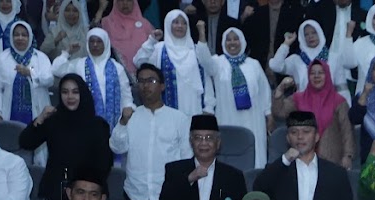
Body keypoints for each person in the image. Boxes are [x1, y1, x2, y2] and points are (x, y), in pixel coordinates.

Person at [108, 64, 189, 200]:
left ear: (162, 86)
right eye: (141, 81)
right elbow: (116, 147)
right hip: (136, 196)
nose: (145, 85)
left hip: (169, 197)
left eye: (151, 81)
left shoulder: (179, 118)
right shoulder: (131, 117)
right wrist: (123, 122)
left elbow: (186, 159)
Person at [197, 27, 271, 170]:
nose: (232, 42)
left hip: (253, 119)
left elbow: (264, 90)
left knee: (255, 158)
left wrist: (268, 114)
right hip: (227, 117)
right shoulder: (217, 62)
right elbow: (204, 61)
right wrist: (202, 35)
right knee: (229, 159)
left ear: (242, 41)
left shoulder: (253, 64)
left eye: (235, 39)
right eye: (228, 39)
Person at [133, 10, 213, 118]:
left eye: (184, 23)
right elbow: (139, 62)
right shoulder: (160, 49)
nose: (180, 26)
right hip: (166, 113)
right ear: (168, 24)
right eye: (176, 22)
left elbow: (207, 77)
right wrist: (151, 41)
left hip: (194, 108)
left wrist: (209, 107)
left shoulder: (195, 50)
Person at [281, 60, 355, 167]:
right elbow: (280, 111)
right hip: (302, 158)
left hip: (331, 159)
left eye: (320, 73)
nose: (316, 76)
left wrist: (348, 155)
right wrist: (279, 92)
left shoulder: (339, 101)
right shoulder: (298, 98)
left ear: (328, 75)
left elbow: (347, 130)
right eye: (312, 73)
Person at [51, 28, 130, 128]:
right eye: (92, 41)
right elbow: (56, 70)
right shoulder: (79, 64)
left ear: (106, 43)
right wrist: (67, 52)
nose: (95, 45)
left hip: (115, 121)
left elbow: (126, 93)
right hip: (84, 120)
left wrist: (128, 107)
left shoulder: (117, 68)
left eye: (99, 41)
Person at [0, 22, 53, 127]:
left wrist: (30, 73)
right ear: (11, 36)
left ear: (30, 37)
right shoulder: (3, 58)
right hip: (9, 113)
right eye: (16, 35)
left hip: (38, 112)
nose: (20, 38)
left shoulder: (40, 57)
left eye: (24, 35)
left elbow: (49, 80)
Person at [101, 0, 150, 75]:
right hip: (115, 73)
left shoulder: (145, 24)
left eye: (129, 0)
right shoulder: (106, 23)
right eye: (121, 1)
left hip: (142, 75)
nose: (125, 3)